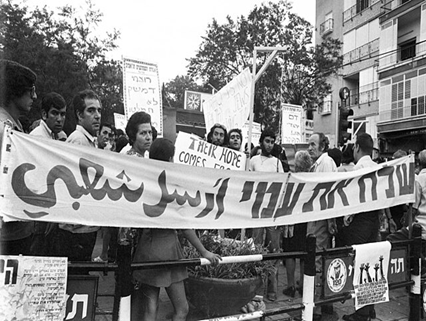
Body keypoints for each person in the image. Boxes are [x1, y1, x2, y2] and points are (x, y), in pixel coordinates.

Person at [131, 138, 222, 321]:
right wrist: (204, 251)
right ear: (170, 158)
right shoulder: (171, 185)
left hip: (145, 251)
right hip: (168, 252)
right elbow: (183, 227)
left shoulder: (143, 180)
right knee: (182, 309)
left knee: (150, 309)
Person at [56, 89, 102, 262]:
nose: (97, 115)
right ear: (79, 115)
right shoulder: (78, 140)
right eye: (91, 110)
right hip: (75, 229)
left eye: (99, 110)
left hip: (84, 224)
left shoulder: (89, 140)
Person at [340, 133, 381, 321]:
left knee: (359, 264)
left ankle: (361, 312)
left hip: (360, 221)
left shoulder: (359, 167)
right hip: (375, 220)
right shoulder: (378, 167)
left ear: (356, 147)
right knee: (371, 265)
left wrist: (348, 218)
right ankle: (369, 307)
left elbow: (354, 197)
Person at [0, 59, 37, 255]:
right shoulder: (3, 128)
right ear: (16, 91)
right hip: (8, 233)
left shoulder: (14, 125)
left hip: (17, 229)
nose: (34, 96)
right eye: (30, 90)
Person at [29, 92, 67, 256]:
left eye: (63, 114)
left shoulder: (52, 136)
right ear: (44, 114)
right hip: (36, 212)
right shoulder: (38, 137)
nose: (59, 119)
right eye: (55, 113)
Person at [249, 128, 284, 302]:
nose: (270, 144)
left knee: (273, 251)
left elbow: (283, 187)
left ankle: (272, 289)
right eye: (267, 141)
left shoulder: (277, 163)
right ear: (261, 141)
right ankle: (255, 289)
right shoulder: (253, 160)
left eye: (272, 141)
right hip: (256, 210)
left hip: (272, 211)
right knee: (256, 248)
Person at [306, 132, 337, 320]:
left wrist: (329, 220)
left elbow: (328, 193)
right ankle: (323, 303)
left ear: (322, 146)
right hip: (317, 216)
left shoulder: (325, 163)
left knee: (317, 259)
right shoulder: (319, 163)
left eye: (313, 144)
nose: (310, 148)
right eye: (309, 144)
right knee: (320, 258)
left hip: (320, 217)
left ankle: (316, 307)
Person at [282, 150, 311, 298]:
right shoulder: (312, 180)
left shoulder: (291, 179)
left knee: (290, 253)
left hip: (292, 221)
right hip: (306, 221)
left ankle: (291, 285)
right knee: (304, 254)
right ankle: (303, 285)